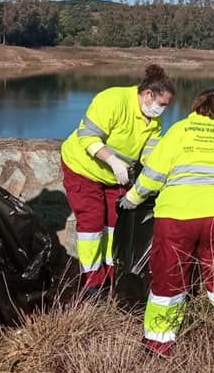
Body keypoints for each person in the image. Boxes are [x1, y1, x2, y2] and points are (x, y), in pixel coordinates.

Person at [119, 88, 214, 357]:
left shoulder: (179, 130)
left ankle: (159, 344)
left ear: (194, 107)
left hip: (178, 215)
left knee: (169, 278)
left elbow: (153, 174)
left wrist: (132, 198)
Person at [60, 64, 174, 297]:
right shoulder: (113, 100)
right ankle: (92, 285)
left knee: (116, 225)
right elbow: (87, 136)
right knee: (92, 225)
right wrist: (112, 160)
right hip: (83, 168)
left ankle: (113, 279)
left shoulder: (154, 122)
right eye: (162, 104)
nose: (163, 110)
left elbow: (149, 155)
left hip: (115, 177)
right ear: (148, 94)